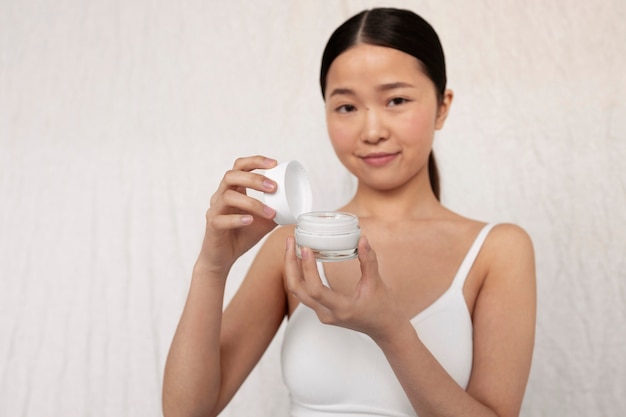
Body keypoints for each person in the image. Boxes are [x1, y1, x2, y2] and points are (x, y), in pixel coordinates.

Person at [162, 7, 536, 417]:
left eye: (397, 100)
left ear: (442, 106)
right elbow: (186, 412)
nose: (372, 131)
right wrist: (212, 268)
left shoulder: (498, 250)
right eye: (346, 107)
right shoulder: (291, 245)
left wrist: (391, 330)